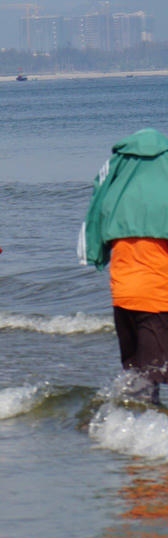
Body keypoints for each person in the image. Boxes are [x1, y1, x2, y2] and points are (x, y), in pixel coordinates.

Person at [83, 127, 168, 403]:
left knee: (135, 373)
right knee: (151, 374)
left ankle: (119, 428)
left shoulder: (118, 189)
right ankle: (141, 438)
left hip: (123, 298)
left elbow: (96, 212)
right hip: (157, 299)